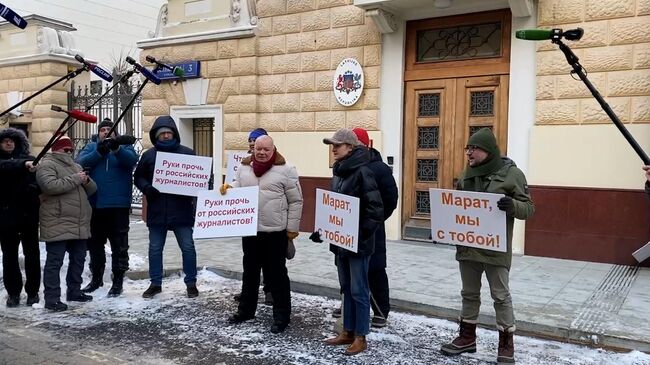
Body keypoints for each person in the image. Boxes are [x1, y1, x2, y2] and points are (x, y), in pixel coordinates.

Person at [440, 128, 534, 364]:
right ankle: (467, 337)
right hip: (468, 247)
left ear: (489, 150)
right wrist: (445, 225)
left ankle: (506, 343)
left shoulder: (512, 174)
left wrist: (512, 205)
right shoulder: (466, 174)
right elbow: (459, 207)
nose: (469, 152)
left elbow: (529, 208)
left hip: (495, 249)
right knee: (469, 294)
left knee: (501, 296)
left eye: (474, 148)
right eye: (467, 148)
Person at [221, 135, 303, 334]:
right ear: (253, 148)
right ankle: (246, 311)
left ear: (273, 149)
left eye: (266, 149)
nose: (262, 152)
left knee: (277, 276)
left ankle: (281, 316)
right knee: (249, 273)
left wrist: (292, 229)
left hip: (275, 233)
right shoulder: (243, 168)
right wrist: (229, 188)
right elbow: (238, 188)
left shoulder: (286, 170)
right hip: (250, 232)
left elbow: (296, 201)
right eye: (258, 148)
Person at [316, 128, 384, 355]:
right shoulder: (339, 172)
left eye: (338, 144)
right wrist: (323, 229)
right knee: (346, 288)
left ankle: (360, 336)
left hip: (358, 244)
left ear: (351, 147)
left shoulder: (363, 172)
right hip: (340, 242)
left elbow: (375, 209)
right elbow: (333, 206)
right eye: (332, 145)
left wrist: (359, 233)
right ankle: (347, 330)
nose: (333, 148)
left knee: (359, 289)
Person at [134, 116, 199, 299]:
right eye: (162, 133)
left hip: (181, 209)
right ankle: (155, 283)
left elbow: (200, 177)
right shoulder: (148, 155)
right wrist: (147, 188)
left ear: (175, 134)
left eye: (169, 133)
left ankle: (191, 283)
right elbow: (138, 177)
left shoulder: (187, 154)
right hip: (157, 210)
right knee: (155, 249)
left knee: (188, 248)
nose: (165, 136)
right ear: (156, 136)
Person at [77, 118, 139, 297]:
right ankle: (96, 279)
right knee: (95, 244)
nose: (106, 132)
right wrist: (99, 152)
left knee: (119, 246)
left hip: (118, 205)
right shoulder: (91, 146)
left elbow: (131, 161)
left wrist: (116, 149)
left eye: (109, 130)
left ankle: (118, 281)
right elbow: (81, 162)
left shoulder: (124, 147)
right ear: (99, 133)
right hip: (95, 204)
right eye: (103, 130)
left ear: (115, 133)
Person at [36, 135, 97, 311]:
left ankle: (74, 291)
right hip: (57, 220)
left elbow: (92, 189)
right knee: (55, 262)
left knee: (78, 259)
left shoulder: (76, 166)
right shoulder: (47, 164)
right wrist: (77, 179)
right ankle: (52, 298)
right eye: (65, 149)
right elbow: (50, 186)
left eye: (71, 149)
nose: (69, 152)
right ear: (56, 149)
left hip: (79, 222)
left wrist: (86, 180)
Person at [351, 128, 398, 328]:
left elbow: (391, 199)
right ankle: (349, 305)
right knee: (348, 268)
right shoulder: (344, 166)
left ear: (364, 145)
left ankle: (380, 311)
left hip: (372, 229)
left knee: (375, 269)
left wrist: (375, 219)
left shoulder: (380, 168)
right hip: (349, 228)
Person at [233, 127, 274, 306]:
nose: (251, 143)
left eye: (255, 140)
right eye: (250, 141)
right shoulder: (244, 165)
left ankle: (270, 291)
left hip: (270, 223)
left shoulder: (278, 165)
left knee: (271, 262)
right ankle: (248, 293)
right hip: (249, 223)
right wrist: (228, 189)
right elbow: (237, 183)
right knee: (249, 262)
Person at [0, 128, 41, 307]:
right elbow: (5, 166)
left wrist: (32, 188)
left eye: (12, 140)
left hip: (28, 216)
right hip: (5, 216)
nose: (9, 143)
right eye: (4, 141)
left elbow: (39, 183)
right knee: (9, 256)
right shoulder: (13, 162)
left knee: (32, 254)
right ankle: (13, 293)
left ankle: (32, 292)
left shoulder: (31, 161)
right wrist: (22, 165)